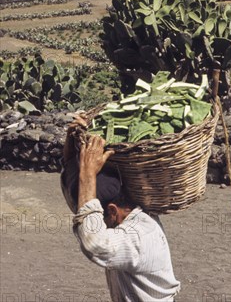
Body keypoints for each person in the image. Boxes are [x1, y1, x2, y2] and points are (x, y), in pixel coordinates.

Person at [61, 116, 181, 301]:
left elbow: (94, 243)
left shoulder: (139, 235)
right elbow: (80, 205)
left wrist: (89, 174)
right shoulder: (130, 215)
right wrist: (72, 143)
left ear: (112, 211)